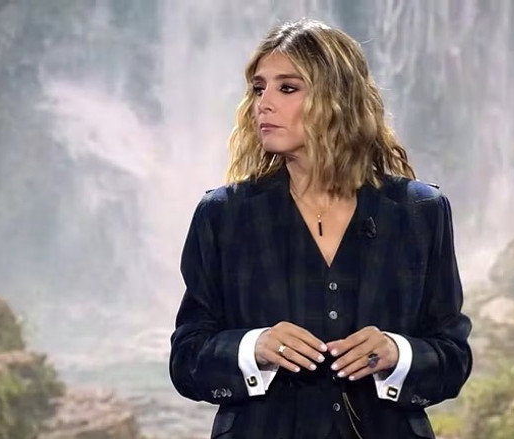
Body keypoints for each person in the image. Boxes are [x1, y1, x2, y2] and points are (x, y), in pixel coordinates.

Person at [169, 18, 472, 439]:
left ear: (338, 99)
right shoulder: (223, 215)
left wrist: (396, 352)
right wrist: (253, 347)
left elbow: (453, 356)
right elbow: (186, 358)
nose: (263, 104)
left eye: (287, 88)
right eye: (258, 88)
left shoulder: (420, 212)